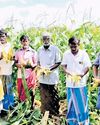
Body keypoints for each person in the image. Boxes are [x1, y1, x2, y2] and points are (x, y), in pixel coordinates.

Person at [61, 37, 91, 125]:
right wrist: (67, 72)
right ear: (69, 45)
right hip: (70, 83)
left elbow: (88, 66)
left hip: (80, 84)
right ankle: (72, 122)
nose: (73, 48)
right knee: (71, 103)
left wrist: (82, 74)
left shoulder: (83, 54)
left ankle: (83, 122)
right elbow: (63, 65)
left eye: (75, 46)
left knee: (82, 103)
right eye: (71, 46)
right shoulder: (66, 54)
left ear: (79, 45)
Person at [37, 32, 61, 116]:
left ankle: (54, 114)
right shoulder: (39, 49)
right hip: (42, 78)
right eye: (44, 39)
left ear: (50, 39)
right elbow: (38, 62)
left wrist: (49, 69)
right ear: (42, 40)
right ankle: (45, 113)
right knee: (44, 96)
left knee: (53, 95)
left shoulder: (55, 49)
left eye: (47, 39)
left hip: (52, 78)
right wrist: (41, 69)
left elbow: (58, 62)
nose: (46, 40)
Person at [15, 35, 37, 109]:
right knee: (20, 90)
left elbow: (35, 63)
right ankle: (22, 106)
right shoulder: (18, 52)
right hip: (20, 74)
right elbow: (15, 62)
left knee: (31, 91)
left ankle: (32, 105)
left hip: (29, 74)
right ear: (21, 42)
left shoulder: (33, 52)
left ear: (29, 42)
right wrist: (18, 65)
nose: (25, 43)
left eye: (26, 41)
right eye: (23, 41)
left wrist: (30, 65)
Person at [0, 29, 14, 114]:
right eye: (0, 36)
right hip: (0, 71)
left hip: (8, 70)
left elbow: (13, 58)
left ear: (6, 37)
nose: (1, 38)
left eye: (3, 36)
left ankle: (10, 106)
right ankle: (4, 108)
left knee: (9, 88)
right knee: (2, 89)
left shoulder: (9, 46)